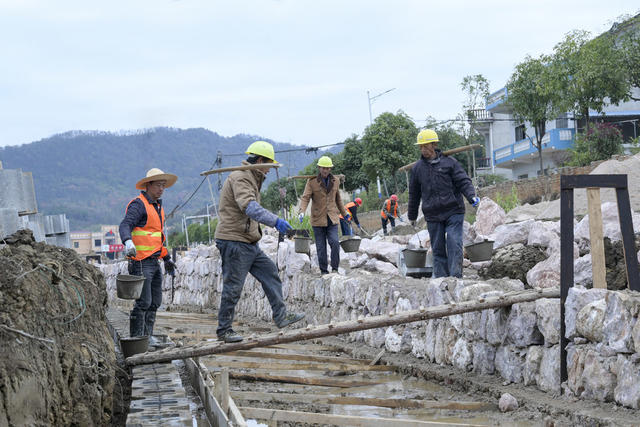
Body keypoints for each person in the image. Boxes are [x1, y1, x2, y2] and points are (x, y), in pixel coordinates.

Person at [214, 140, 305, 343]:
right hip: (234, 241)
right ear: (260, 160)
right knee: (233, 286)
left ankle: (281, 315)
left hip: (248, 241)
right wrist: (275, 221)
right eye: (268, 164)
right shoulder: (241, 178)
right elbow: (250, 207)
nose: (270, 170)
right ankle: (224, 330)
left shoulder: (252, 178)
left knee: (270, 272)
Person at [408, 129, 480, 278]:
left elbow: (463, 181)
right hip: (433, 214)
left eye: (426, 146)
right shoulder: (417, 169)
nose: (423, 150)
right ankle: (442, 281)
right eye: (420, 147)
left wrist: (471, 196)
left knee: (454, 243)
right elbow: (414, 194)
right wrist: (412, 215)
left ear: (434, 145)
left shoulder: (450, 163)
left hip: (453, 210)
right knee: (438, 248)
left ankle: (455, 277)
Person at [120, 168, 178, 345]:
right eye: (158, 185)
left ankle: (148, 337)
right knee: (143, 302)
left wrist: (166, 258)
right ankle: (138, 338)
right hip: (140, 262)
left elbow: (156, 237)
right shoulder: (139, 205)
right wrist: (127, 242)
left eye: (163, 186)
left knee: (155, 302)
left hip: (154, 262)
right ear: (148, 185)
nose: (161, 189)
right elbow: (125, 225)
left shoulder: (157, 206)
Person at [298, 156, 350, 275]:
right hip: (317, 219)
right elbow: (305, 198)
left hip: (332, 218)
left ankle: (335, 269)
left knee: (335, 243)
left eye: (327, 168)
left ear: (330, 169)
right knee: (321, 248)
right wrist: (301, 211)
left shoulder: (335, 181)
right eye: (322, 168)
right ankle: (324, 271)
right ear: (319, 168)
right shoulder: (312, 182)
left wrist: (345, 214)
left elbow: (338, 200)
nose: (325, 170)